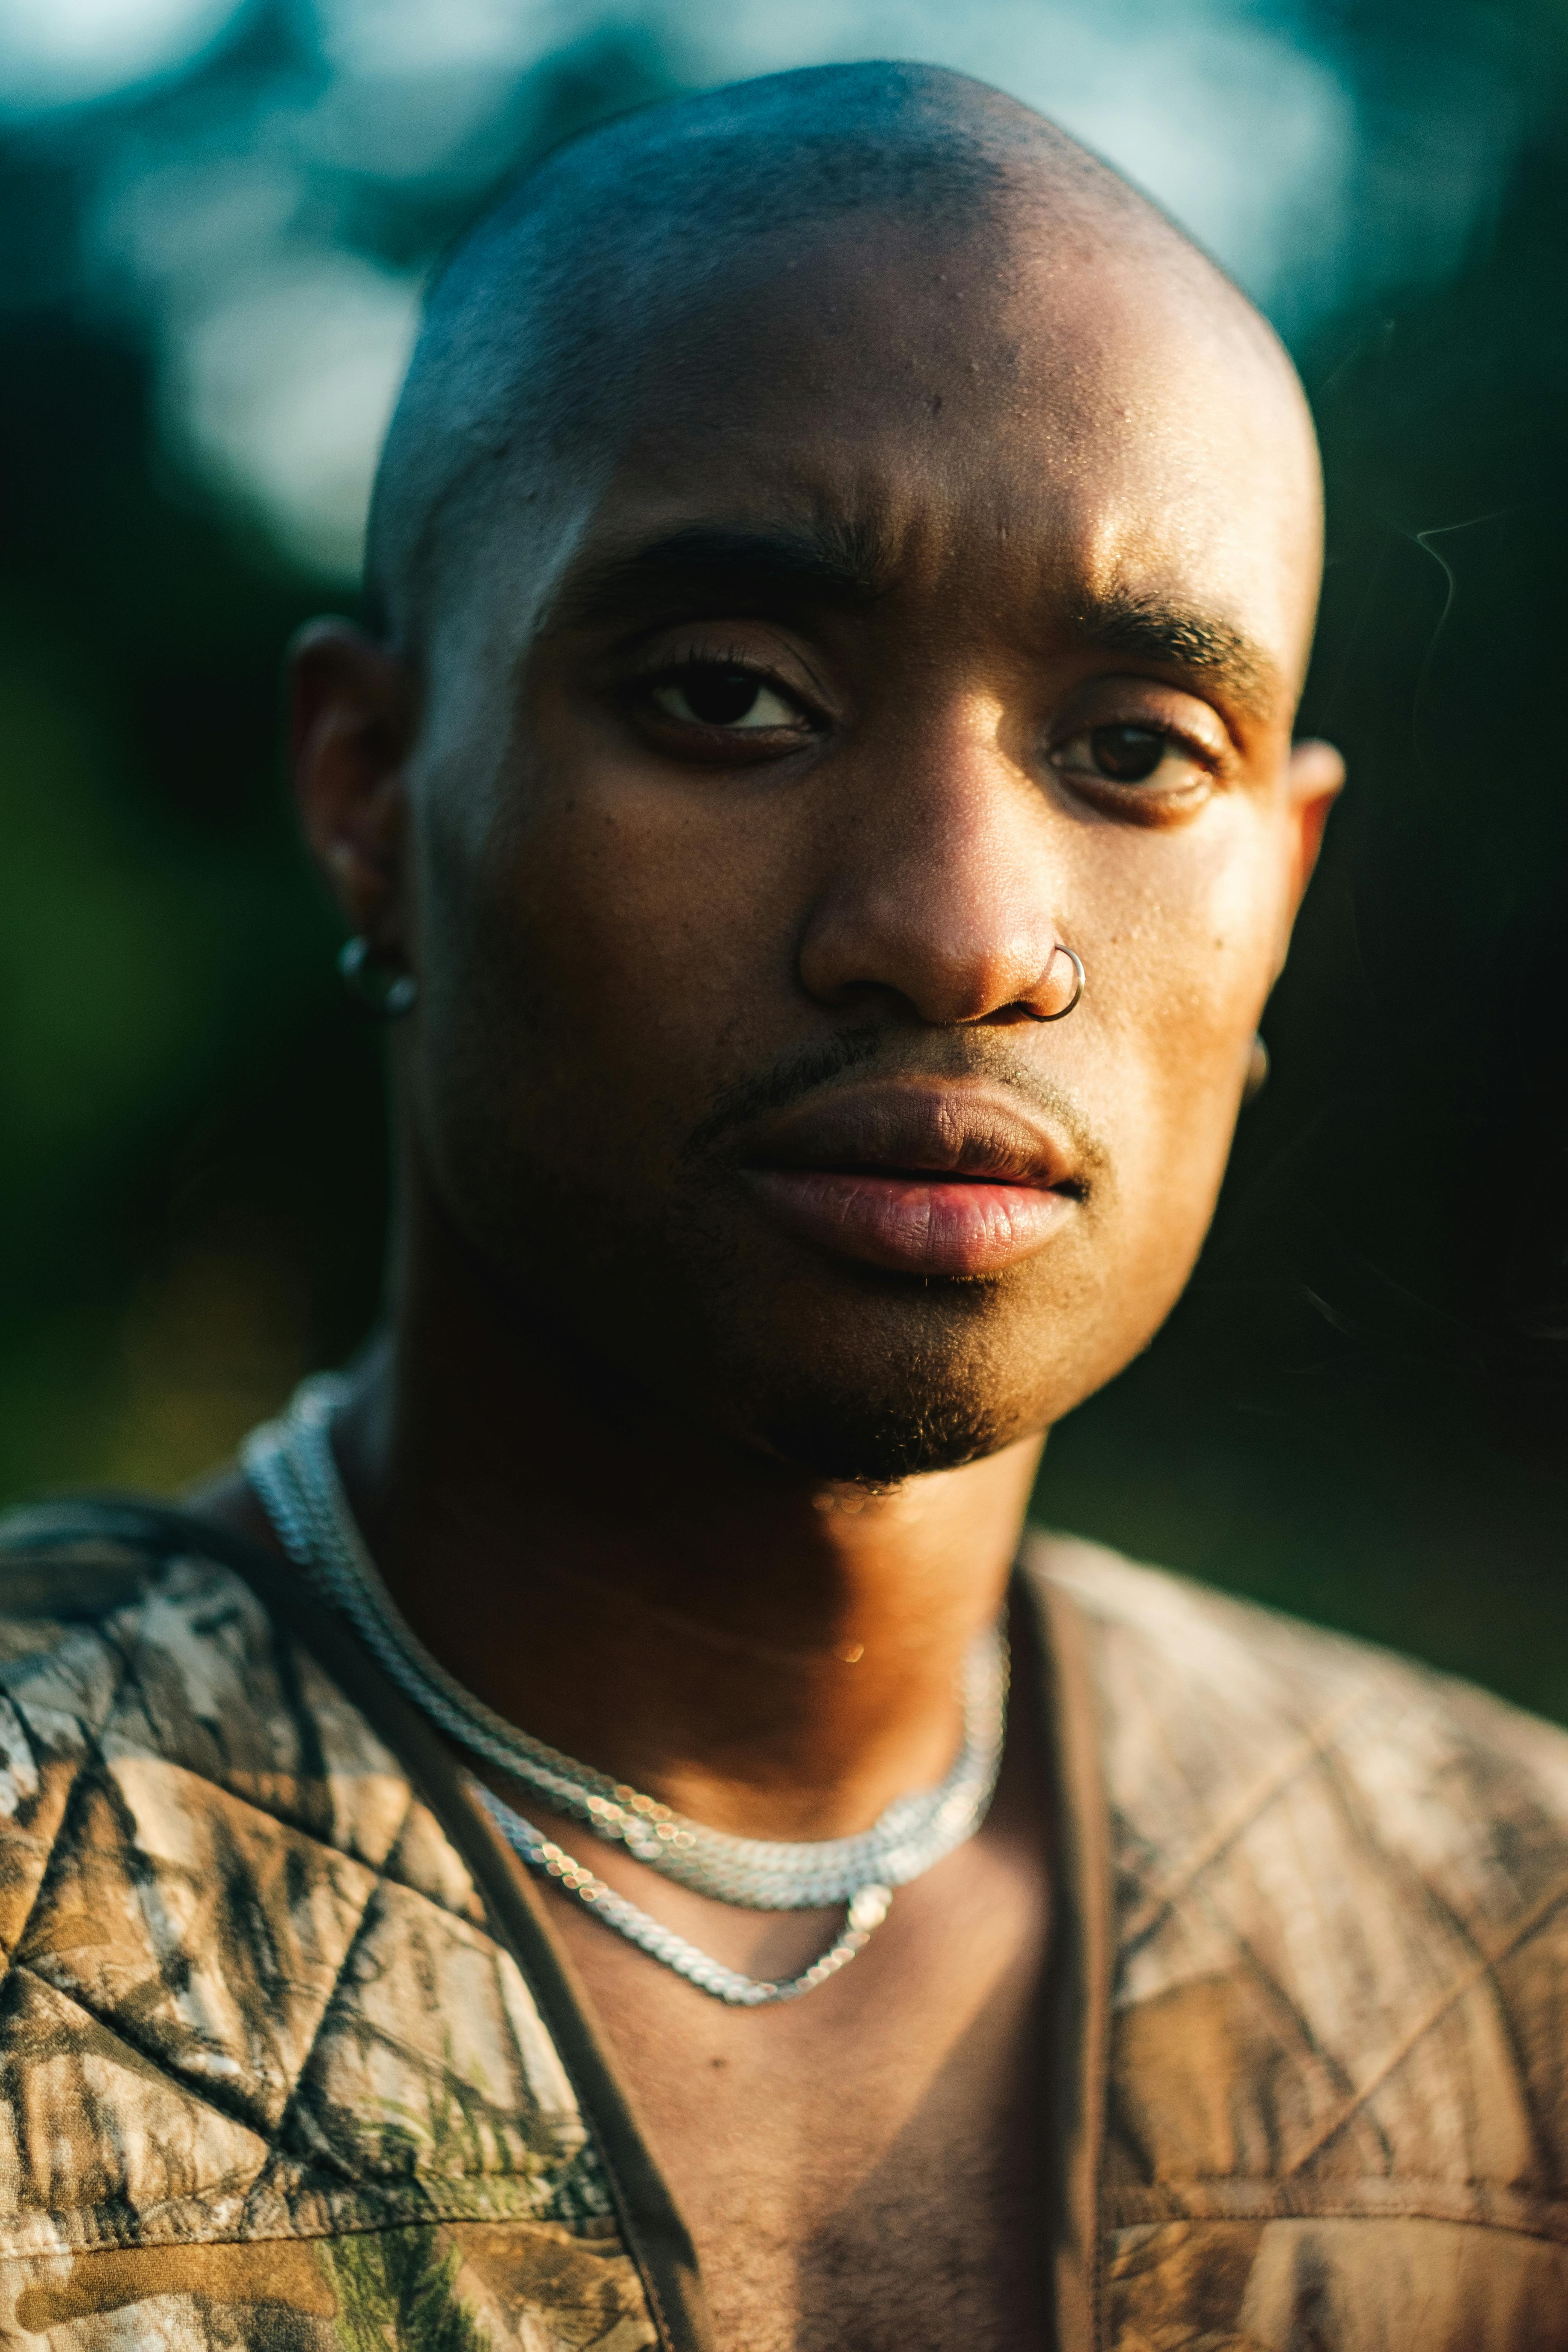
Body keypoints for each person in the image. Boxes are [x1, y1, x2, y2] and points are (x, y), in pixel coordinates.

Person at [0, 57, 1563, 2352]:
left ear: (1283, 895)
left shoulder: (1508, 1950)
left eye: (1135, 753)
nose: (960, 929)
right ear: (367, 792)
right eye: (732, 696)